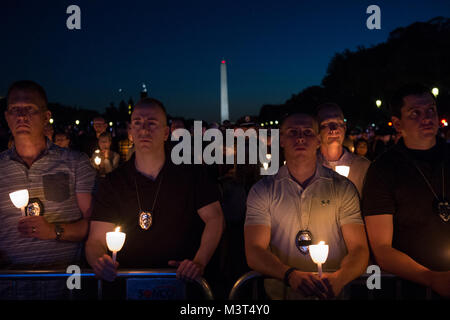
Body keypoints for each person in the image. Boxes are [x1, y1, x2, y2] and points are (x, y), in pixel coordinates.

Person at [85, 98, 224, 284]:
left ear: (166, 133)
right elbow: (95, 240)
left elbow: (215, 218)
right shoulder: (114, 182)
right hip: (129, 279)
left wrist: (199, 261)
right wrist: (99, 261)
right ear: (130, 132)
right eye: (137, 123)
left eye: (152, 123)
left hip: (181, 279)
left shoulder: (192, 173)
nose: (144, 129)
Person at [245, 113, 369, 300]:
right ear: (282, 140)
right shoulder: (263, 190)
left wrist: (339, 278)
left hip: (331, 294)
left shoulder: (342, 187)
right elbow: (254, 250)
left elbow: (359, 248)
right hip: (282, 295)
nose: (301, 137)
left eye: (308, 132)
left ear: (318, 140)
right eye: (293, 132)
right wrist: (289, 275)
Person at [0, 80, 96, 299]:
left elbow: (92, 224)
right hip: (9, 286)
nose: (21, 116)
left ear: (46, 116)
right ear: (6, 117)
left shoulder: (75, 163)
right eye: (15, 110)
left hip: (64, 286)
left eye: (30, 109)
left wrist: (54, 231)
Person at [362, 84, 450, 298]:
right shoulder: (383, 170)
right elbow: (382, 249)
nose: (427, 118)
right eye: (415, 113)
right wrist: (432, 278)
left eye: (431, 110)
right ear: (398, 123)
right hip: (411, 287)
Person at [316, 103, 371, 196]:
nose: (334, 129)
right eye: (327, 124)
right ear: (317, 130)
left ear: (344, 128)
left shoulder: (363, 167)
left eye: (338, 123)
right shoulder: (307, 167)